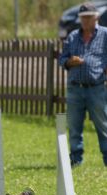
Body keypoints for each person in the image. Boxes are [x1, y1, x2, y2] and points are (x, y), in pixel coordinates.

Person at [59, 2, 107, 167]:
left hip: (97, 88)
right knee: (74, 127)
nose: (85, 21)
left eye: (89, 18)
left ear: (96, 18)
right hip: (75, 89)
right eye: (83, 18)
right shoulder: (72, 36)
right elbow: (62, 59)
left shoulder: (105, 34)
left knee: (103, 125)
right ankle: (76, 160)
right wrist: (70, 61)